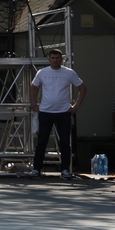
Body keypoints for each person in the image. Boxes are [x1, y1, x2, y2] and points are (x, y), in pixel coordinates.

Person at [29, 48, 86, 180]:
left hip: (63, 112)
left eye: (57, 58)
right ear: (49, 59)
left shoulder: (69, 73)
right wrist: (34, 104)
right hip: (45, 111)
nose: (55, 60)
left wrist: (76, 106)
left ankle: (65, 170)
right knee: (42, 141)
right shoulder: (42, 72)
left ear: (62, 59)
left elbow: (82, 88)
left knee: (65, 142)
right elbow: (33, 87)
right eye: (53, 58)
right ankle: (36, 169)